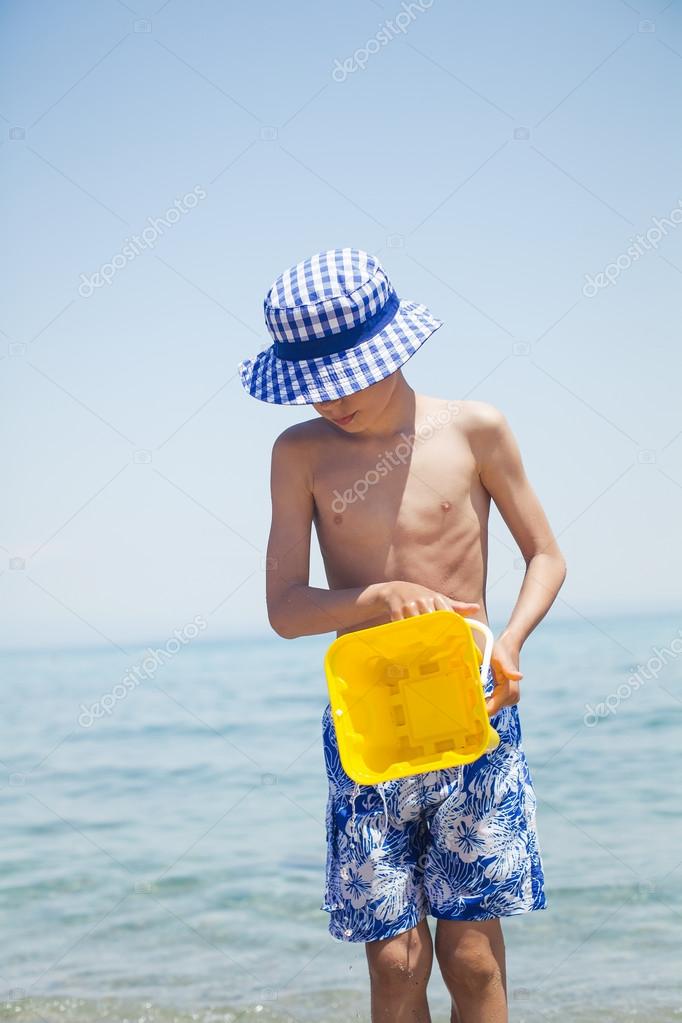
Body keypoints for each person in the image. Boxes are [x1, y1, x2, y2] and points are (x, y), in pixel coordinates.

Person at [239, 248, 566, 1023]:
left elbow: (546, 555)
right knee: (396, 958)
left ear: (393, 349)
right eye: (313, 384)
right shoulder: (301, 453)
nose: (332, 399)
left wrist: (512, 637)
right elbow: (285, 607)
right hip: (370, 726)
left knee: (472, 955)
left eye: (346, 375)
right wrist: (373, 594)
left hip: (473, 714)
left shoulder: (475, 430)